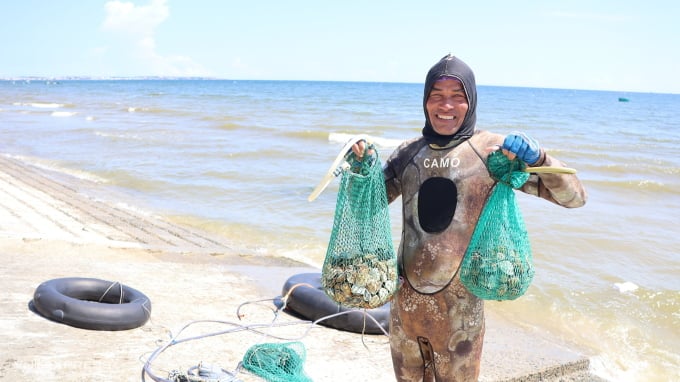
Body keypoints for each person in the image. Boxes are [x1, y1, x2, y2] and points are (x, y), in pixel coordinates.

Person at [352, 54, 587, 381]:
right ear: (425, 101)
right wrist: (361, 172)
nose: (446, 105)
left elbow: (574, 197)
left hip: (460, 317)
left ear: (471, 102)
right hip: (404, 309)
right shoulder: (408, 154)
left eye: (457, 97)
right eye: (437, 95)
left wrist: (541, 158)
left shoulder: (493, 152)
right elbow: (365, 208)